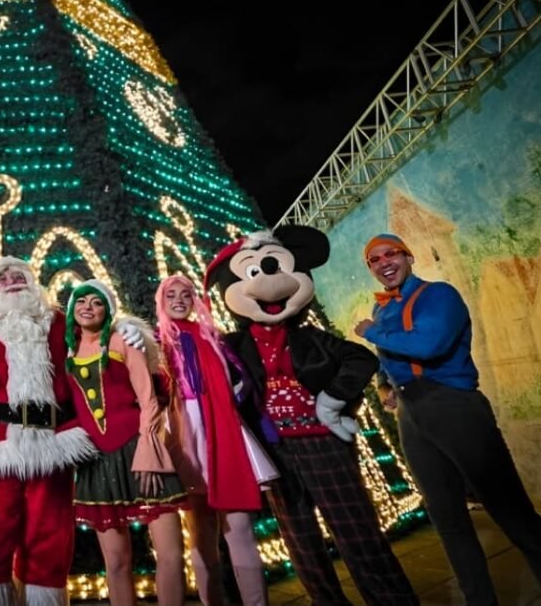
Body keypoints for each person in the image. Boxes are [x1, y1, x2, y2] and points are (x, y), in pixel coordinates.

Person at [206, 227, 417, 606]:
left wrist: (333, 398)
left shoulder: (311, 337)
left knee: (357, 530)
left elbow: (360, 358)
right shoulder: (232, 346)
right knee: (300, 539)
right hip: (276, 452)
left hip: (323, 443)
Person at [0, 257, 143, 606]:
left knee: (50, 537)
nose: (11, 280)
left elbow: (97, 336)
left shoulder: (58, 321)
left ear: (33, 282)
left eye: (19, 275)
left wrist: (129, 332)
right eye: (1, 278)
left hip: (52, 444)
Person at [355, 233, 541, 605]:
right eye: (375, 259)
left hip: (453, 406)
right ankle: (479, 599)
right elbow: (387, 357)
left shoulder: (439, 295)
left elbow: (429, 345)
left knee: (508, 507)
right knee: (446, 517)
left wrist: (370, 330)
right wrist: (384, 385)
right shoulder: (382, 308)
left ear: (409, 257)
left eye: (391, 254)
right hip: (412, 414)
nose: (384, 262)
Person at [64, 279, 187, 606]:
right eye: (81, 301)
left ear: (108, 310)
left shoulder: (122, 340)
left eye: (96, 302)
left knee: (171, 553)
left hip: (139, 448)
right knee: (116, 561)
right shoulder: (66, 351)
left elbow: (149, 400)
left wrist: (149, 451)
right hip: (97, 462)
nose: (88, 307)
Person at [154, 275, 274, 606]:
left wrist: (230, 396)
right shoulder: (155, 342)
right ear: (161, 301)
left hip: (223, 431)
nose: (179, 300)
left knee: (240, 529)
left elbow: (242, 381)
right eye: (171, 295)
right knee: (200, 532)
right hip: (183, 435)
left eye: (186, 294)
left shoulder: (212, 337)